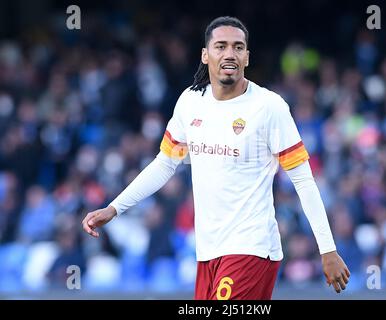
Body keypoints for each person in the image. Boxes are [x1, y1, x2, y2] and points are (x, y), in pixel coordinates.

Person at [82, 16, 350, 300]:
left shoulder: (269, 107)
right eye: (220, 46)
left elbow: (304, 180)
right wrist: (114, 208)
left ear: (247, 57)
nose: (229, 54)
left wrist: (328, 249)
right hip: (208, 251)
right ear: (205, 54)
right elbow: (165, 163)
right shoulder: (190, 101)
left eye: (238, 47)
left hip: (252, 248)